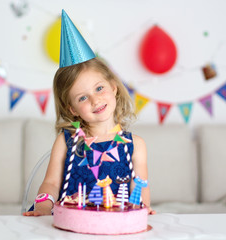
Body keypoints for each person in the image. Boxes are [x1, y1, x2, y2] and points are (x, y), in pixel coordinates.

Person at [24, 9, 155, 216]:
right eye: (82, 98)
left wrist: (142, 210)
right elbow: (50, 183)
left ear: (113, 87)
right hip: (69, 223)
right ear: (72, 109)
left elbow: (140, 187)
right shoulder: (66, 141)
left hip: (116, 224)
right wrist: (42, 206)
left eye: (99, 88)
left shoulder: (135, 145)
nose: (95, 100)